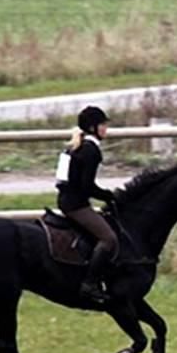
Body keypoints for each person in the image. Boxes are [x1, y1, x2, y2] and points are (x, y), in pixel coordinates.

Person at [55, 105, 118, 306]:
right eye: (103, 125)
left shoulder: (76, 146)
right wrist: (109, 196)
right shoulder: (91, 151)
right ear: (93, 128)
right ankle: (90, 284)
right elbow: (87, 186)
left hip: (67, 200)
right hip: (76, 205)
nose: (105, 129)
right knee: (109, 239)